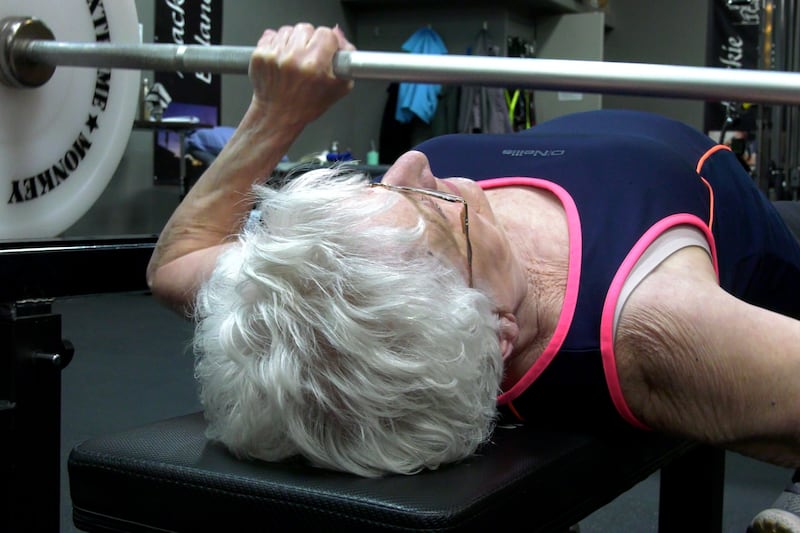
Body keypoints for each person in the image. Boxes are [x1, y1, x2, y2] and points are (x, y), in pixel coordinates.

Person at [147, 23, 800, 518]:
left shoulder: (311, 294)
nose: (411, 165)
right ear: (498, 330)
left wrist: (275, 113)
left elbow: (176, 261)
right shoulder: (652, 326)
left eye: (372, 188)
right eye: (432, 209)